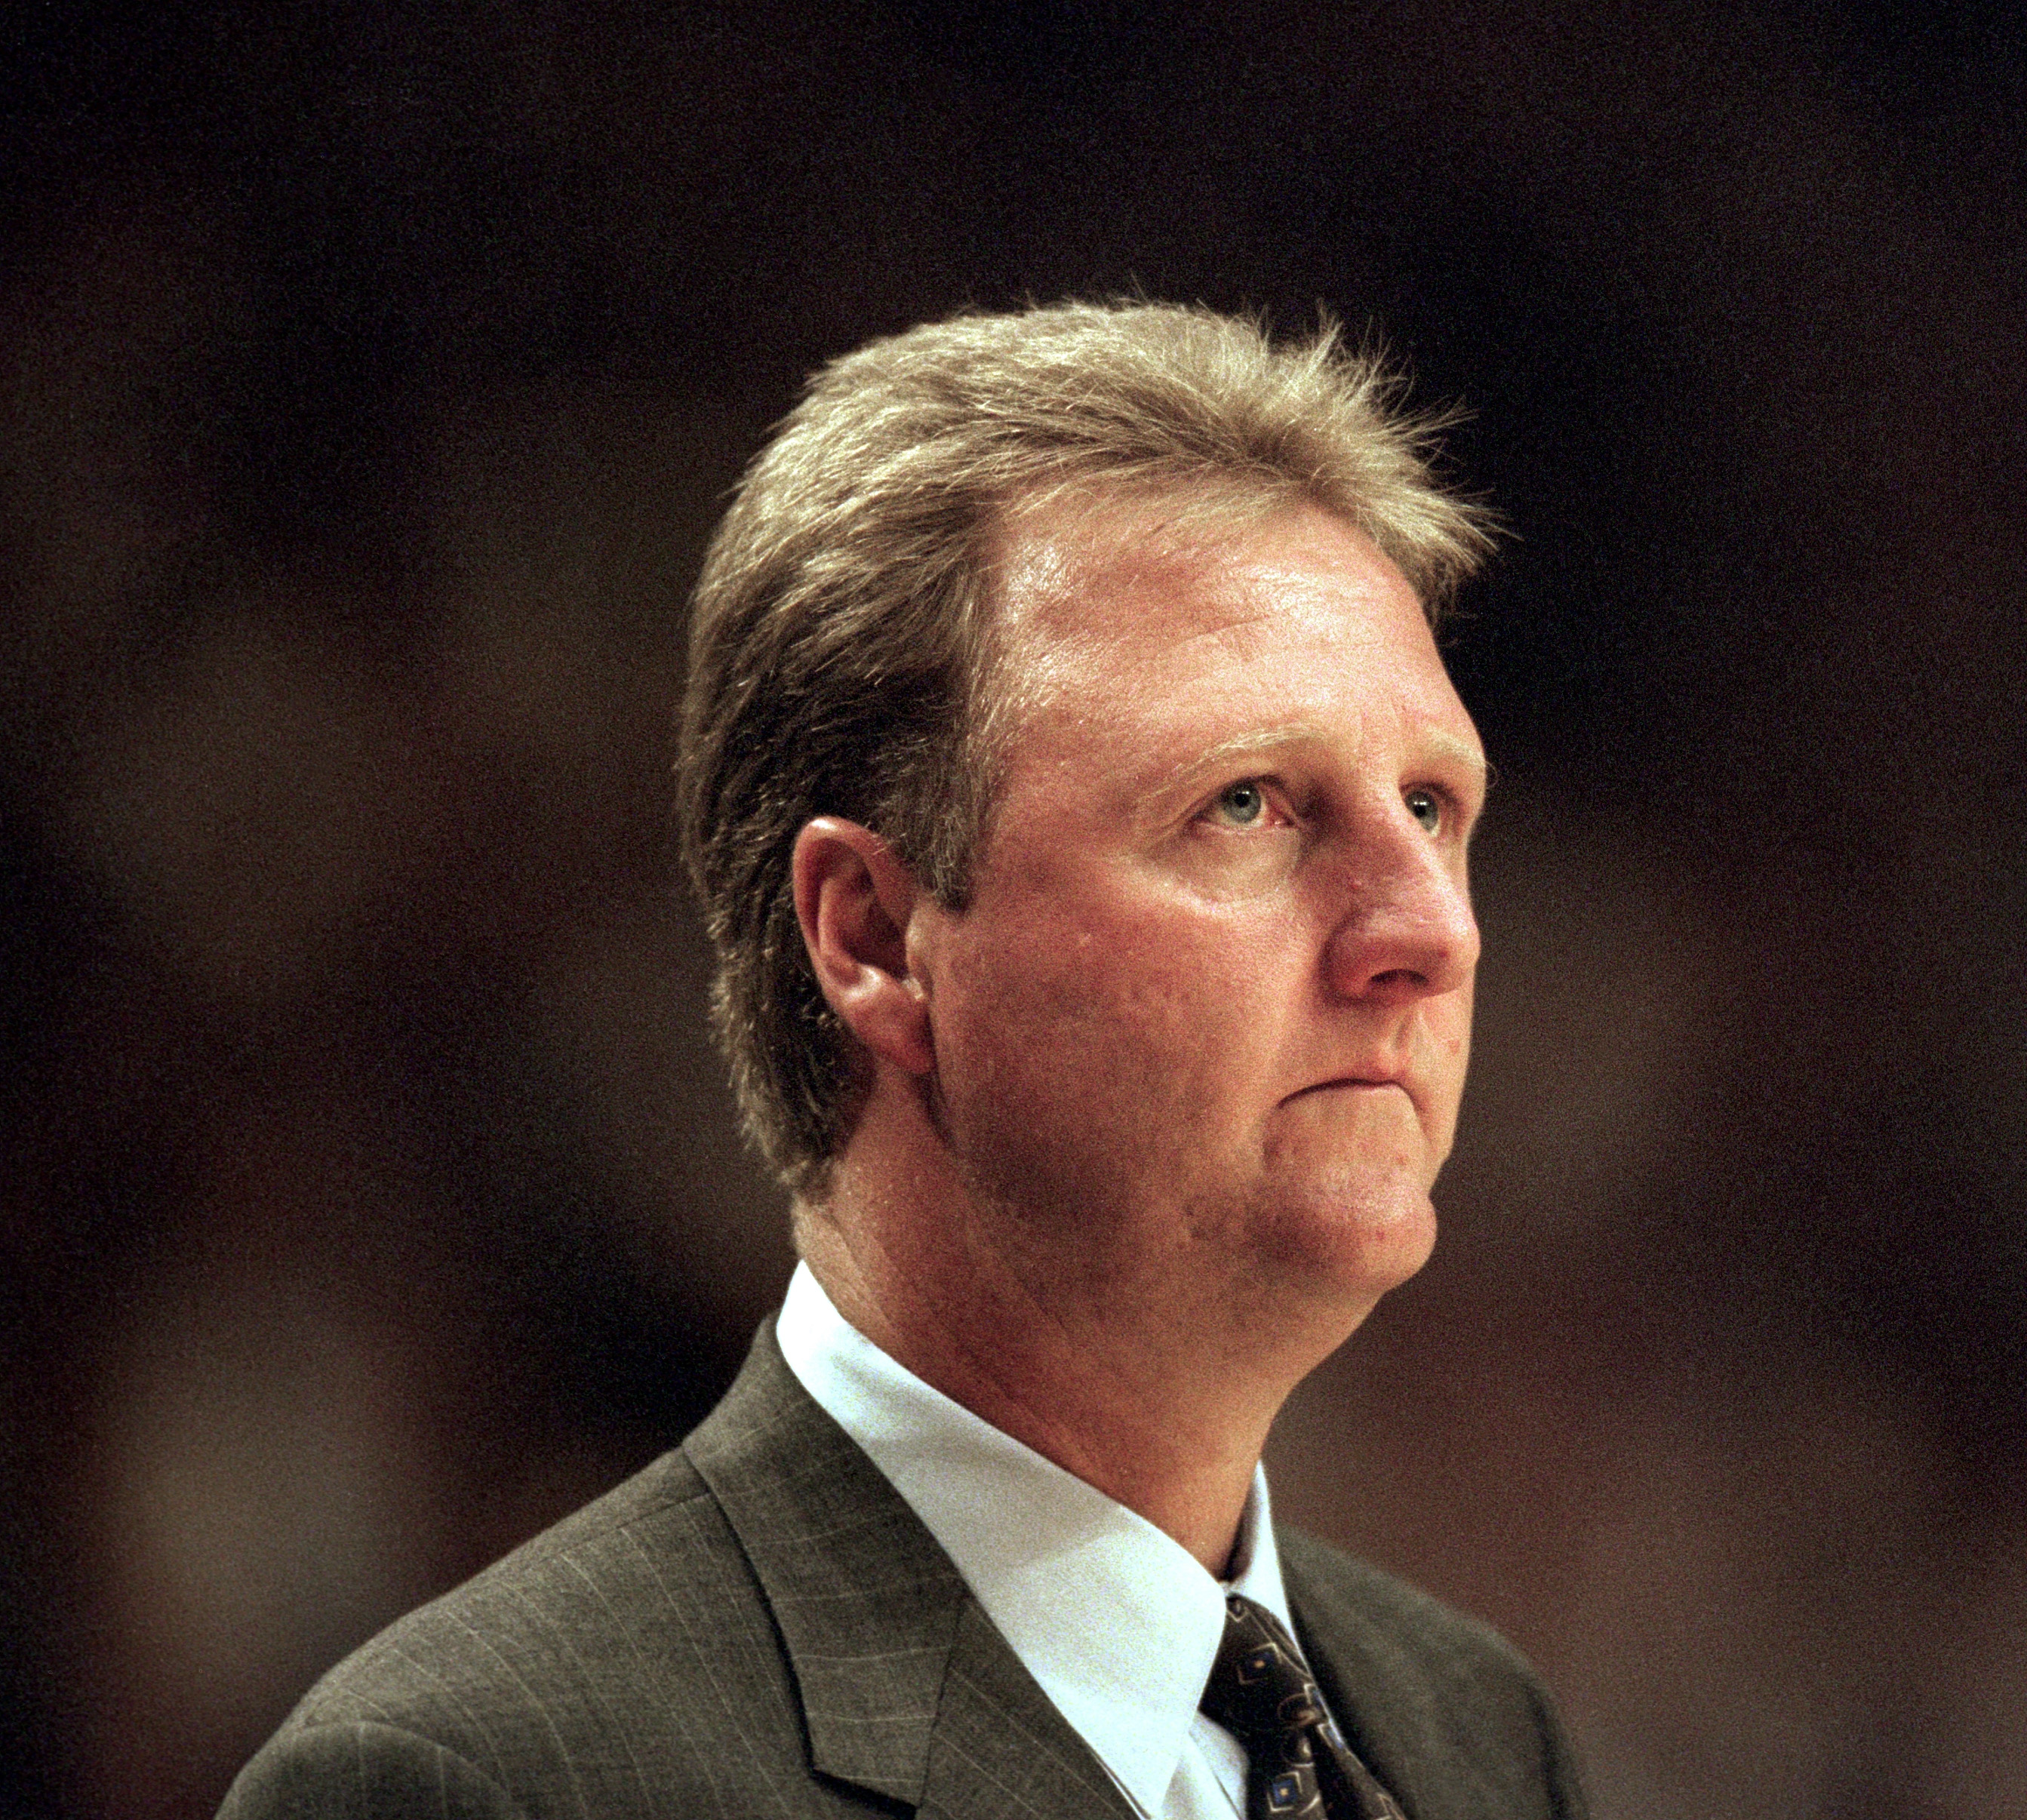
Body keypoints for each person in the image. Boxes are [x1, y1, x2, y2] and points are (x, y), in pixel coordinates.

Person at [220, 302, 1587, 1820]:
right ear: (871, 935)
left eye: (1429, 807)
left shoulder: (1473, 1736)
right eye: (1247, 805)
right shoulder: (478, 1783)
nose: (1425, 930)